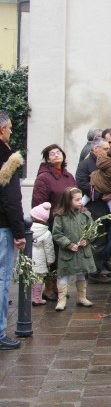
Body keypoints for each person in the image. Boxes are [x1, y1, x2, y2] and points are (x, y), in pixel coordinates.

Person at [31, 144, 79, 299]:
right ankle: (49, 289)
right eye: (52, 153)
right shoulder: (44, 177)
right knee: (50, 257)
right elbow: (38, 203)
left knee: (63, 256)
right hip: (51, 222)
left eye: (59, 152)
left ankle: (60, 287)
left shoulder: (68, 176)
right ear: (47, 158)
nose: (57, 155)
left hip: (68, 221)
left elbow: (76, 194)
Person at [0, 110, 25, 350]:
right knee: (1, 278)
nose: (11, 131)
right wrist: (19, 232)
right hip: (2, 228)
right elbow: (10, 200)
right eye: (9, 127)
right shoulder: (8, 159)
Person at [75, 137, 111, 283]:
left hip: (108, 208)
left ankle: (99, 267)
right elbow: (82, 183)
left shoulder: (110, 163)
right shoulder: (85, 164)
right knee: (95, 241)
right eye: (105, 149)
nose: (108, 151)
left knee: (104, 240)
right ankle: (93, 272)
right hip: (93, 208)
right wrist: (100, 194)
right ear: (95, 149)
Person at [51, 187, 97, 311]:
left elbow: (93, 230)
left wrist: (87, 240)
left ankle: (82, 297)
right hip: (67, 252)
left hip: (82, 251)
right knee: (64, 274)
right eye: (77, 200)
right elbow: (57, 234)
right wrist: (68, 244)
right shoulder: (60, 216)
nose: (80, 202)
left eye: (81, 199)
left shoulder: (85, 214)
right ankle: (62, 299)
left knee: (82, 273)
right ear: (68, 200)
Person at [30, 202, 55, 306]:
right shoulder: (46, 232)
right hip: (39, 259)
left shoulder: (27, 228)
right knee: (39, 279)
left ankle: (26, 297)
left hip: (27, 257)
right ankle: (36, 298)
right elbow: (49, 248)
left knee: (27, 278)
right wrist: (50, 261)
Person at [89, 145, 111, 213]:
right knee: (88, 197)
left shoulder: (106, 162)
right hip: (98, 186)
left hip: (97, 184)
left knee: (108, 199)